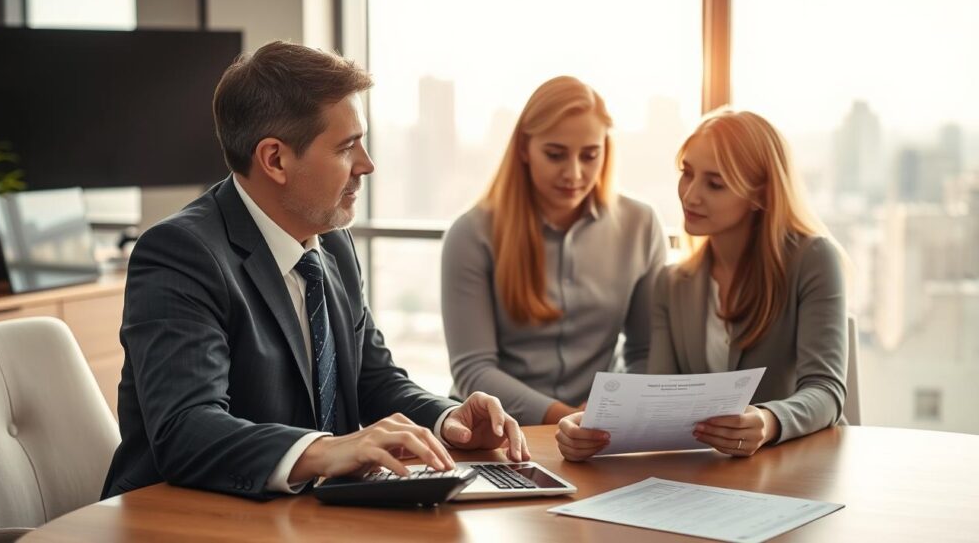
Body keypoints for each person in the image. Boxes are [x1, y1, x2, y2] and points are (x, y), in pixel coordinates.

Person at [102, 41, 528, 501]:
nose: (367, 165)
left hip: (306, 514)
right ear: (275, 159)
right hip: (182, 517)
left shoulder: (332, 243)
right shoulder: (180, 253)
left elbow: (372, 377)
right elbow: (187, 429)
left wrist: (451, 420)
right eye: (347, 148)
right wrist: (326, 451)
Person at [557, 109, 848, 461]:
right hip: (707, 477)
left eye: (715, 184)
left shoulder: (813, 259)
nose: (690, 195)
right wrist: (590, 427)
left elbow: (827, 390)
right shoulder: (671, 283)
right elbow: (659, 404)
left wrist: (769, 421)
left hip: (797, 467)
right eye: (687, 174)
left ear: (761, 195)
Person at [441, 76, 666, 427]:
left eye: (590, 155)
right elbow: (474, 369)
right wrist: (566, 418)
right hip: (495, 432)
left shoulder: (641, 225)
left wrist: (609, 409)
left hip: (596, 430)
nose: (574, 173)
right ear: (523, 150)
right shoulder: (471, 234)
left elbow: (644, 352)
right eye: (555, 154)